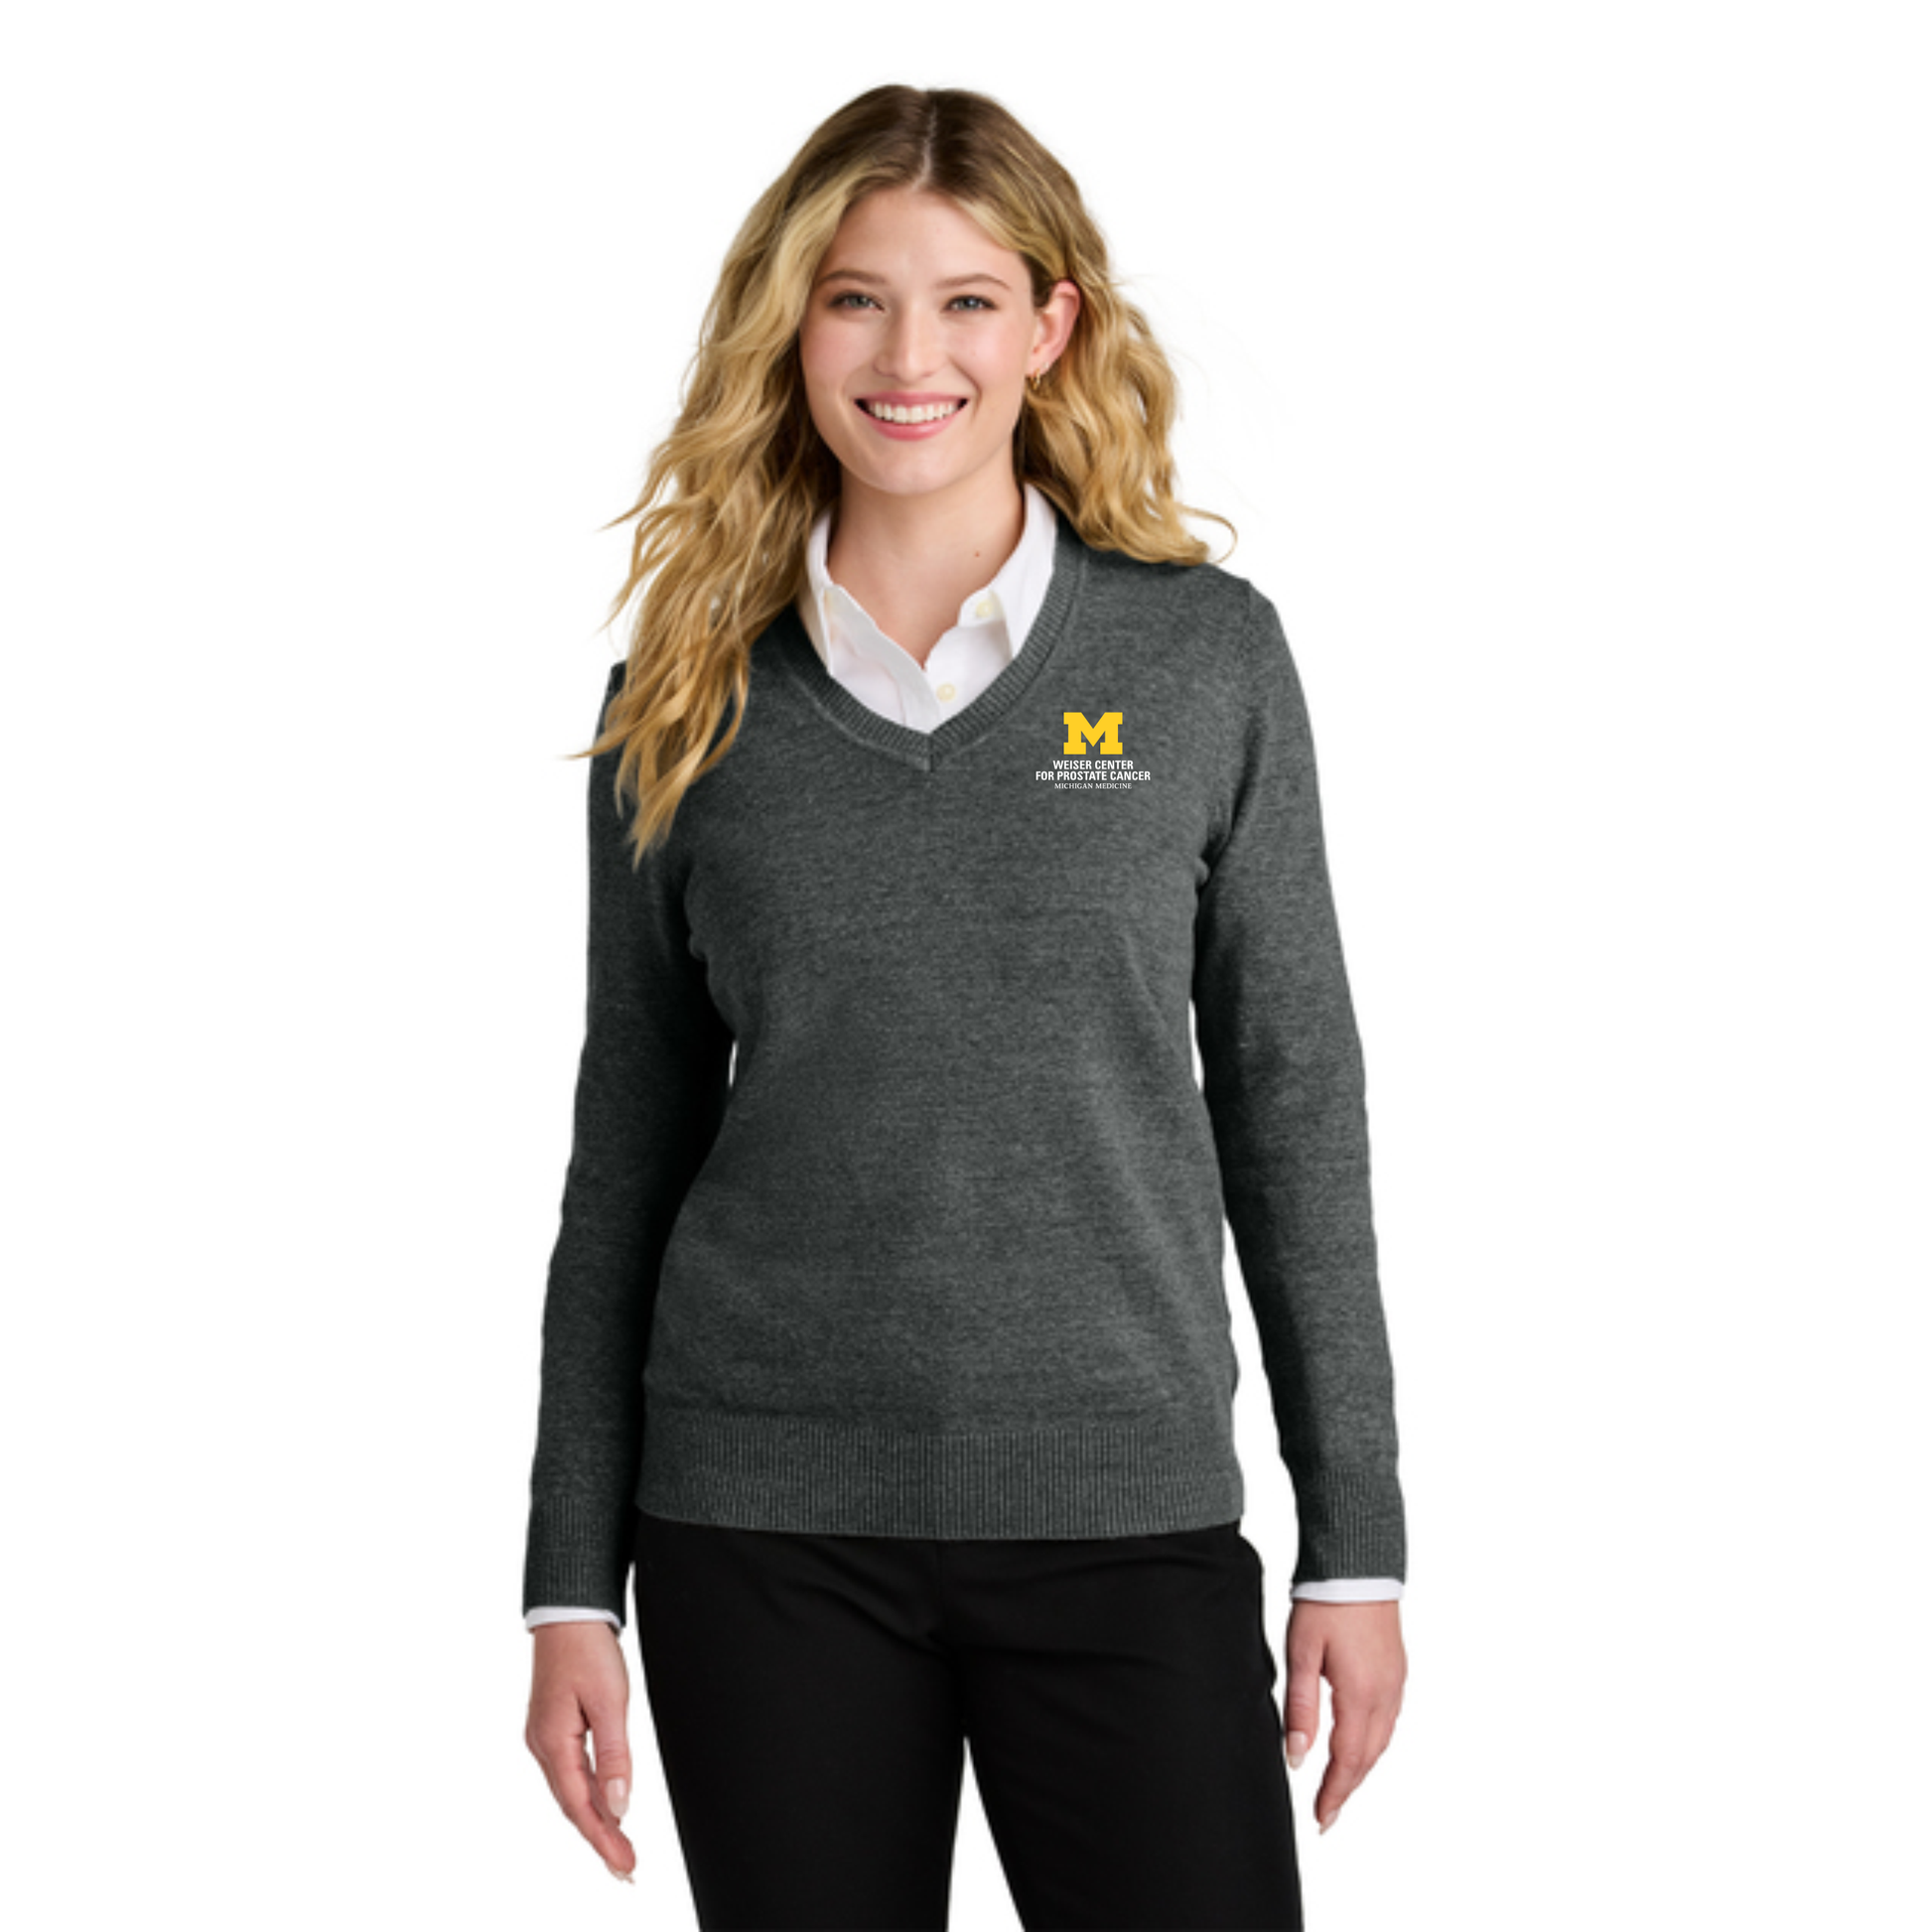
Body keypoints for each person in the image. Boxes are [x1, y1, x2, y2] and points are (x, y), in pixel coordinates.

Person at [521, 83, 1407, 1932]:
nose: (907, 356)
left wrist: (1355, 1543)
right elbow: (626, 1151)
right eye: (854, 299)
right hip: (757, 1530)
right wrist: (567, 1583)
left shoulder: (1202, 659)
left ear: (1050, 326)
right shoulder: (682, 695)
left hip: (1123, 1512)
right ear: (791, 327)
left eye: (965, 301)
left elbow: (1293, 1101)